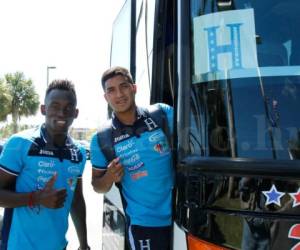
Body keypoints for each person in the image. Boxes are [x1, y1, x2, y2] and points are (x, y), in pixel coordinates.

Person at [90, 66, 174, 250]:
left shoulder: (162, 114)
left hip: (182, 217)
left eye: (124, 86)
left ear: (134, 88)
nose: (119, 94)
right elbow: (97, 186)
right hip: (144, 224)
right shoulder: (101, 138)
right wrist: (109, 177)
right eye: (111, 90)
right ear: (106, 97)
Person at [0, 80, 90, 250]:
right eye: (55, 106)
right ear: (43, 109)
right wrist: (36, 198)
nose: (62, 113)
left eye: (68, 107)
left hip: (59, 246)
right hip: (18, 246)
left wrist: (84, 245)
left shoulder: (78, 152)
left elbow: (76, 201)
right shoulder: (20, 143)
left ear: (76, 113)